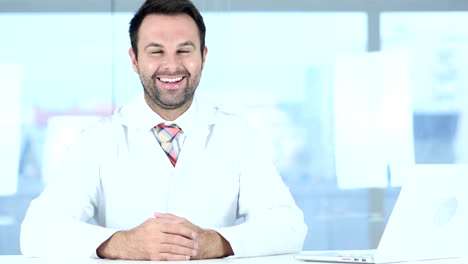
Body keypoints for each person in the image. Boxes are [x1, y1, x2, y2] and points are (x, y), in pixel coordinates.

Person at [20, 0, 307, 260]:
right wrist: (125, 244)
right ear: (134, 60)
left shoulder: (238, 134)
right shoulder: (97, 140)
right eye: (156, 51)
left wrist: (213, 242)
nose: (171, 65)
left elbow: (289, 226)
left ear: (203, 57)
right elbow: (36, 232)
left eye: (184, 50)